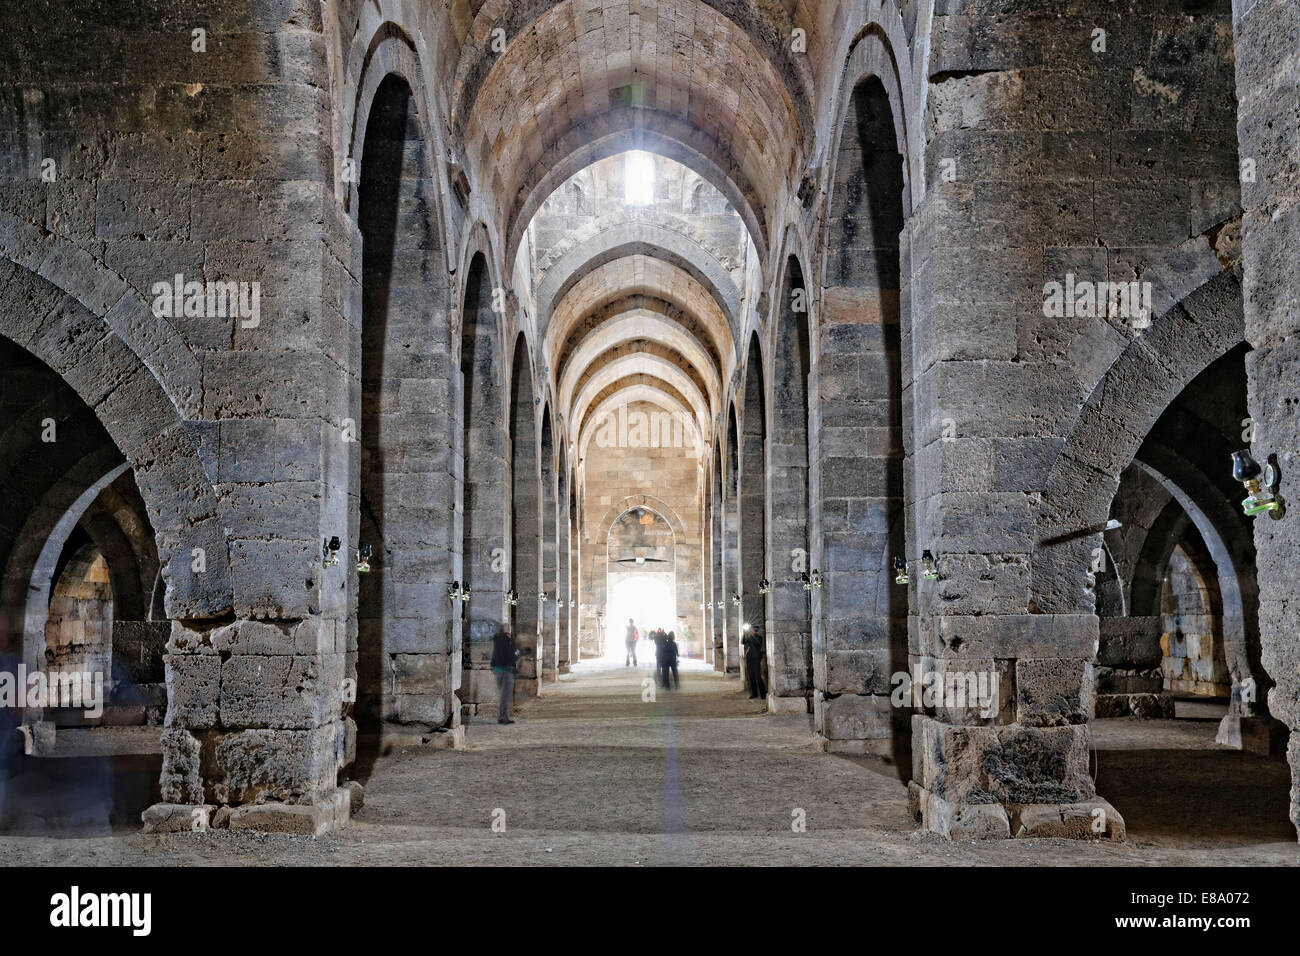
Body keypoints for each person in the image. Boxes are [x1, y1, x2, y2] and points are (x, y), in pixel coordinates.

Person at [491, 626, 519, 724]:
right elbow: (515, 653)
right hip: (507, 670)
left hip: (497, 670)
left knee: (502, 694)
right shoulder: (510, 640)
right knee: (505, 695)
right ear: (509, 631)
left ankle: (502, 716)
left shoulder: (496, 640)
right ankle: (503, 717)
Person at [742, 625, 766, 700]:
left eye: (751, 630)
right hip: (749, 659)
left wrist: (750, 635)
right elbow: (743, 642)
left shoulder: (758, 637)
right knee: (751, 677)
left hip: (756, 659)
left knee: (758, 676)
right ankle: (754, 694)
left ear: (754, 630)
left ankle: (763, 694)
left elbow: (755, 644)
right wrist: (744, 633)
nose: (750, 631)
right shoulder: (749, 637)